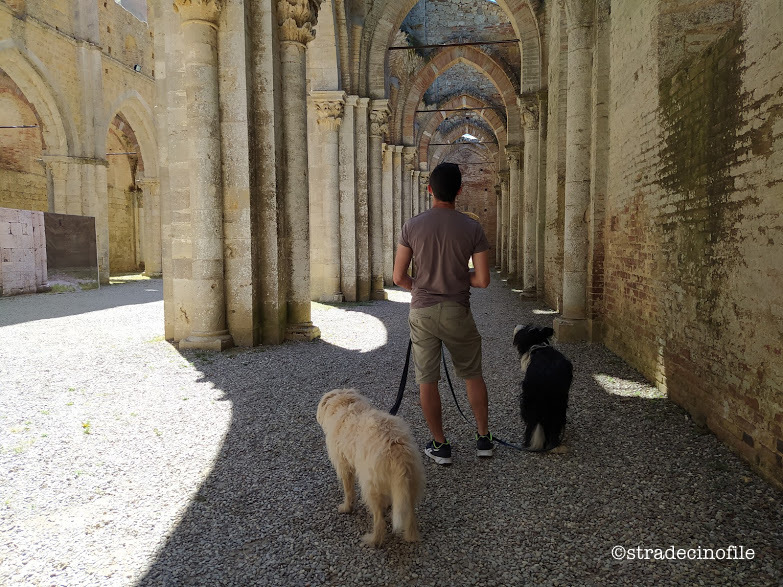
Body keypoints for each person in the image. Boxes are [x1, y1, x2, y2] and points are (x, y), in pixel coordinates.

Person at [393, 162, 493, 466]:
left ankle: (440, 445)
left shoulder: (412, 226)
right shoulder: (472, 227)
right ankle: (484, 439)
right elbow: (483, 280)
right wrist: (461, 279)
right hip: (457, 310)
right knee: (472, 374)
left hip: (422, 311)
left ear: (429, 189)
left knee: (427, 379)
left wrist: (419, 288)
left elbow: (398, 277)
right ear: (460, 191)